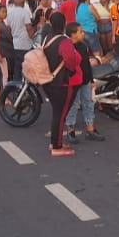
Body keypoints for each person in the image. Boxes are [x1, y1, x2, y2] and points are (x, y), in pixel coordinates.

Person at [42, 12, 82, 157]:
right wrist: (71, 71)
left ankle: (56, 141)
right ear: (64, 24)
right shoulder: (64, 41)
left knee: (57, 113)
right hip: (63, 83)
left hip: (49, 80)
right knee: (60, 115)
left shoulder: (47, 37)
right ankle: (57, 147)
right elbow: (71, 60)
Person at [64, 22, 106, 143]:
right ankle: (70, 131)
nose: (82, 33)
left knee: (88, 103)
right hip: (74, 82)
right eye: (80, 31)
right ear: (73, 35)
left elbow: (87, 64)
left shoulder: (83, 46)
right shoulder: (68, 48)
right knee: (74, 105)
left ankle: (90, 129)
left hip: (85, 81)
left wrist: (91, 80)